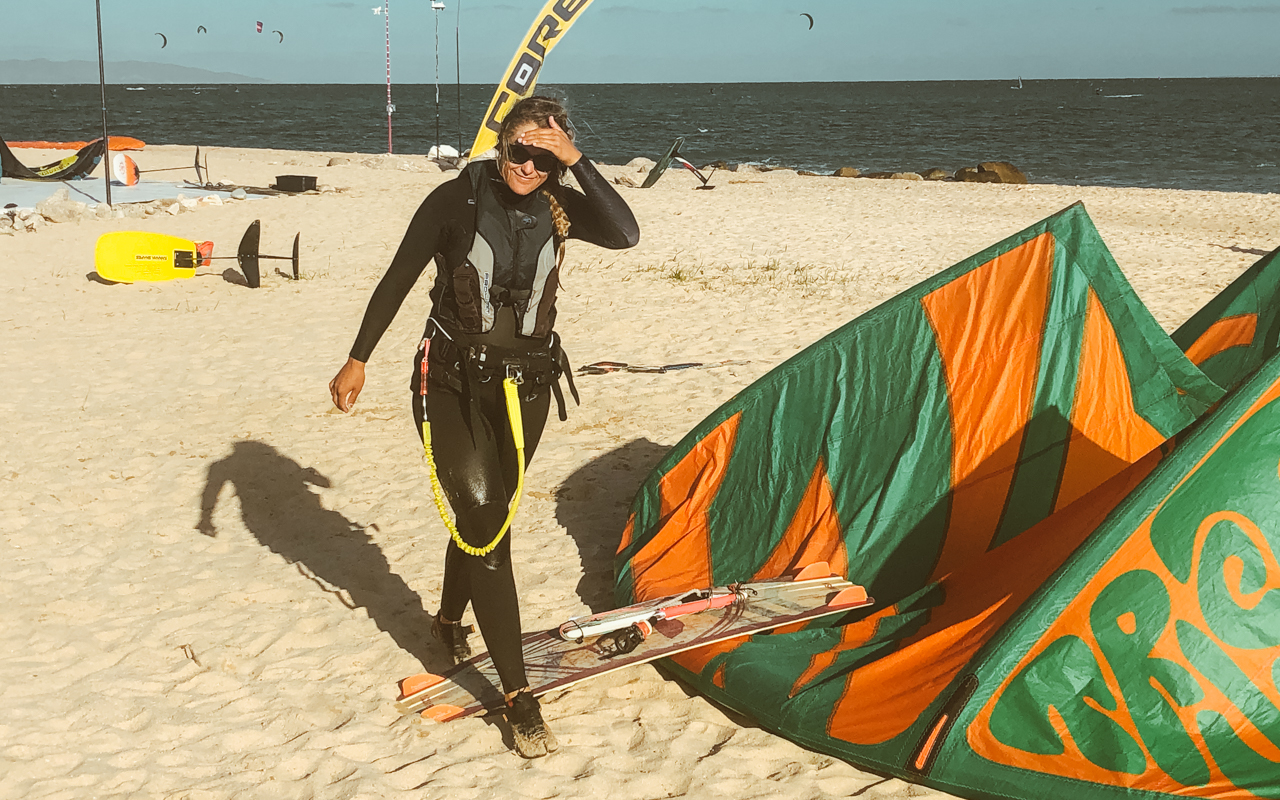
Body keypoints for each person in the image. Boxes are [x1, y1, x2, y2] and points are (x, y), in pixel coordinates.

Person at [329, 96, 639, 757]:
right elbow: (396, 279)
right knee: (486, 523)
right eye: (519, 149)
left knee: (484, 514)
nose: (528, 164)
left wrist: (575, 161)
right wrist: (358, 359)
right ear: (500, 147)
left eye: (544, 153)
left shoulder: (561, 204)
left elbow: (626, 232)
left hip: (527, 386)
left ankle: (447, 618)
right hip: (449, 382)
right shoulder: (454, 201)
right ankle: (518, 696)